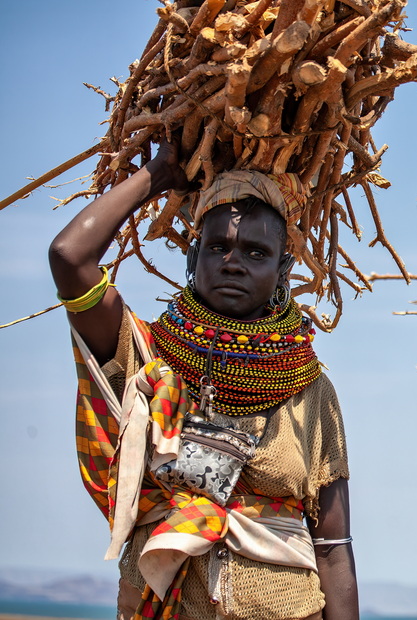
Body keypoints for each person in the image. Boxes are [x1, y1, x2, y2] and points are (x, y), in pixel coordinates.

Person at [48, 141, 359, 620]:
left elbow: (334, 546)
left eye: (256, 252)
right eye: (218, 247)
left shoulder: (310, 389)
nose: (233, 262)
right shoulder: (146, 356)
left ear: (282, 270)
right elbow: (70, 258)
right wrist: (159, 173)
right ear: (193, 257)